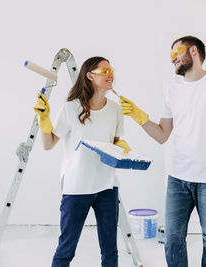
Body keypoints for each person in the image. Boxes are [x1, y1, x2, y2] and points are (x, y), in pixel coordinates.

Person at [119, 36, 206, 267]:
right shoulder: (172, 91)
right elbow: (162, 135)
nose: (173, 59)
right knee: (173, 239)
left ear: (193, 51)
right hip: (178, 178)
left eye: (175, 53)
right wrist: (139, 116)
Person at [34, 56, 130, 267]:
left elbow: (115, 143)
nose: (110, 75)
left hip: (107, 186)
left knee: (110, 250)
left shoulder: (115, 109)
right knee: (66, 249)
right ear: (89, 76)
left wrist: (121, 149)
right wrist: (44, 121)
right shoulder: (70, 109)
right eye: (105, 71)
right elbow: (48, 144)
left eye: (111, 70)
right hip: (77, 187)